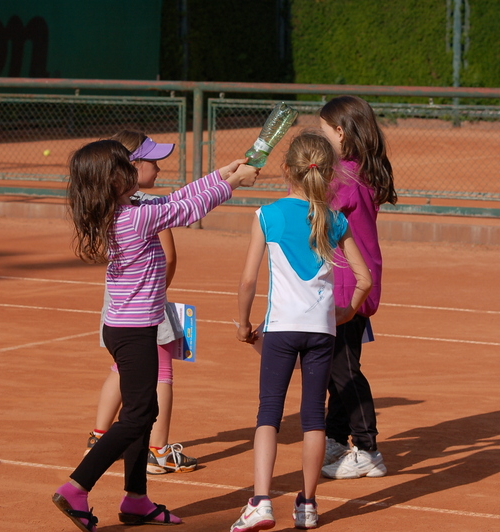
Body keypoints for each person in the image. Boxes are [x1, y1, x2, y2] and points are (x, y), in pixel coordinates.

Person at [53, 139, 258, 531]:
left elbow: (175, 198)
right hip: (133, 332)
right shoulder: (135, 218)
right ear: (113, 180)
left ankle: (136, 499)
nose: (133, 170)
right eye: (125, 167)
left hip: (127, 328)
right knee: (139, 415)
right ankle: (76, 487)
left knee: (142, 413)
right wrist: (233, 185)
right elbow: (188, 209)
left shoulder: (126, 210)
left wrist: (223, 174)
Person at [232, 131, 372, 531]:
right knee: (314, 417)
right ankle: (308, 505)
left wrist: (244, 324)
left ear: (286, 170)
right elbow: (364, 279)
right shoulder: (336, 219)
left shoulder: (268, 214)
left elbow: (248, 281)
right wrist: (346, 313)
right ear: (328, 174)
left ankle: (261, 501)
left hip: (280, 329)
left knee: (269, 413)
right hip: (322, 331)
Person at [84, 131, 197, 476]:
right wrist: (157, 296)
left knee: (122, 368)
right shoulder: (147, 208)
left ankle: (100, 434)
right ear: (129, 167)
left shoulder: (105, 204)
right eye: (153, 161)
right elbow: (170, 257)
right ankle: (158, 450)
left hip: (118, 305)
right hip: (146, 305)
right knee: (161, 372)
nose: (159, 168)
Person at [317, 95, 397, 480]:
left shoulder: (344, 176)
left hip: (346, 284)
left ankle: (367, 449)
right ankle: (335, 437)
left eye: (324, 132)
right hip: (355, 280)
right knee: (339, 366)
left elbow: (311, 208)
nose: (321, 139)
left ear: (341, 132)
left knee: (343, 368)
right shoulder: (359, 170)